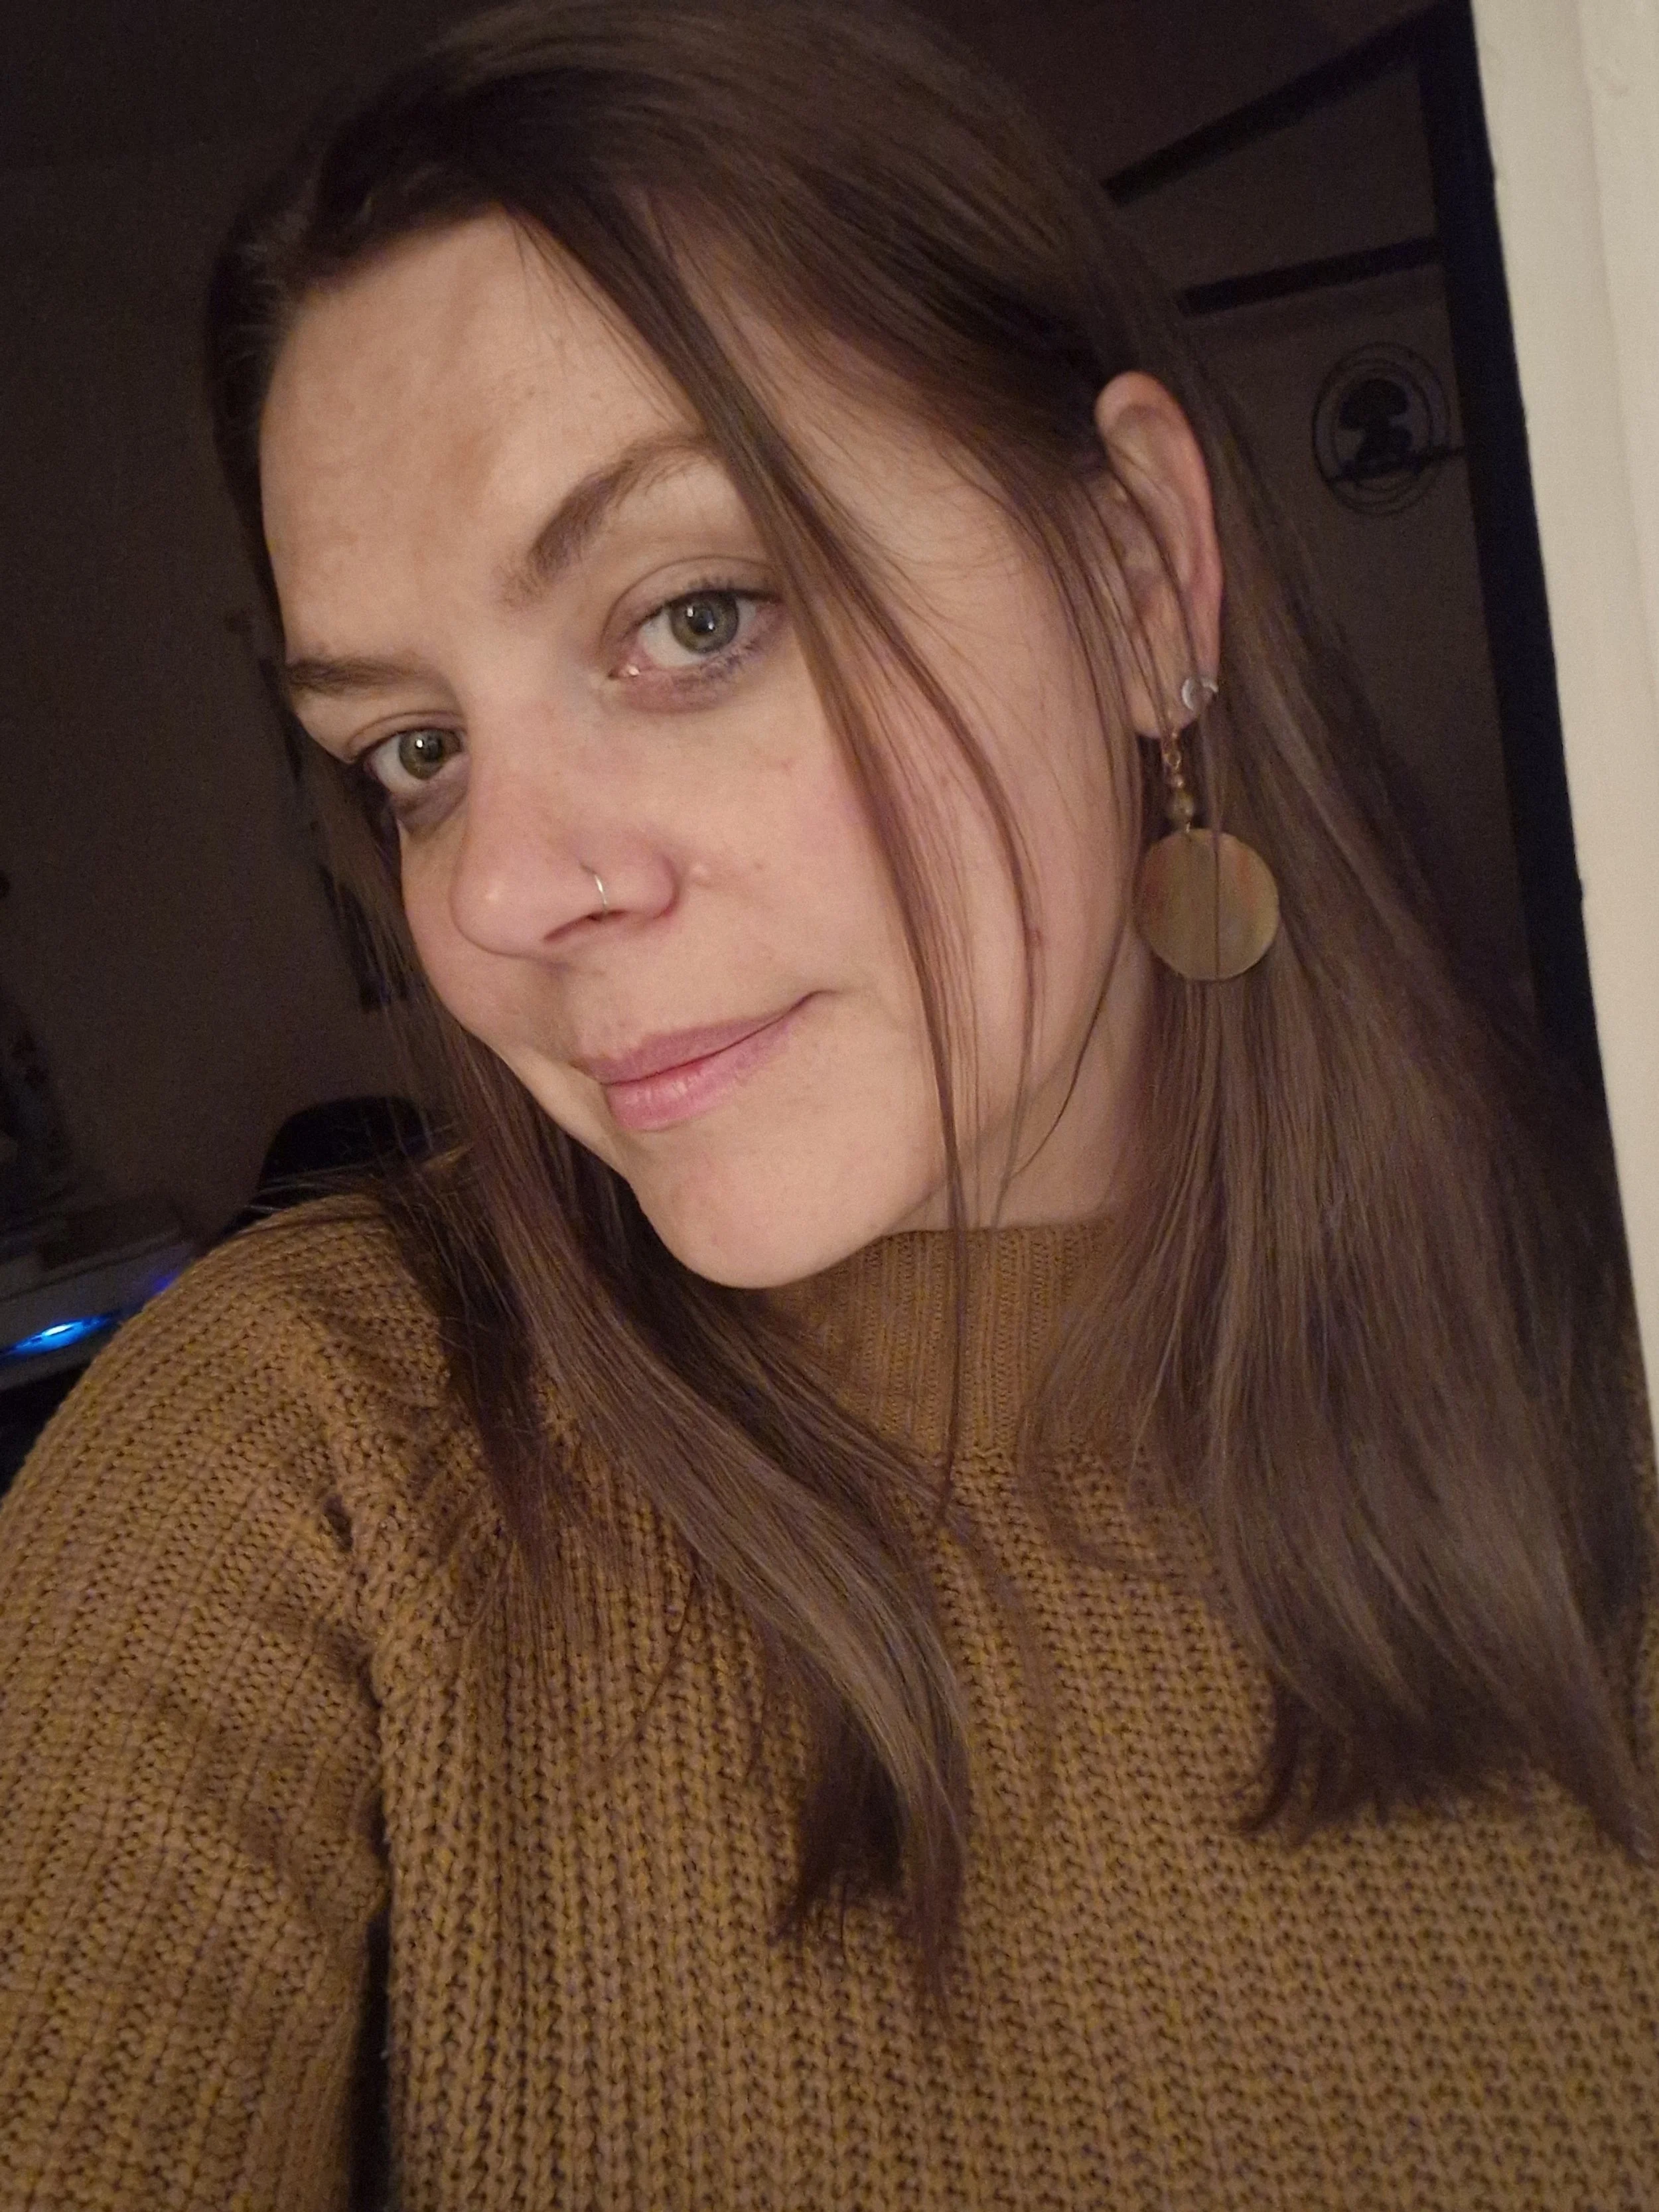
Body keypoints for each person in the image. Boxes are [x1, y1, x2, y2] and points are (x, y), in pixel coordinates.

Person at [2, 2, 1655, 2204]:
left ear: (1141, 574)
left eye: (694, 613)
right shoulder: (304, 1461)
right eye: (412, 748)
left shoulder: (1606, 1349)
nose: (495, 893)